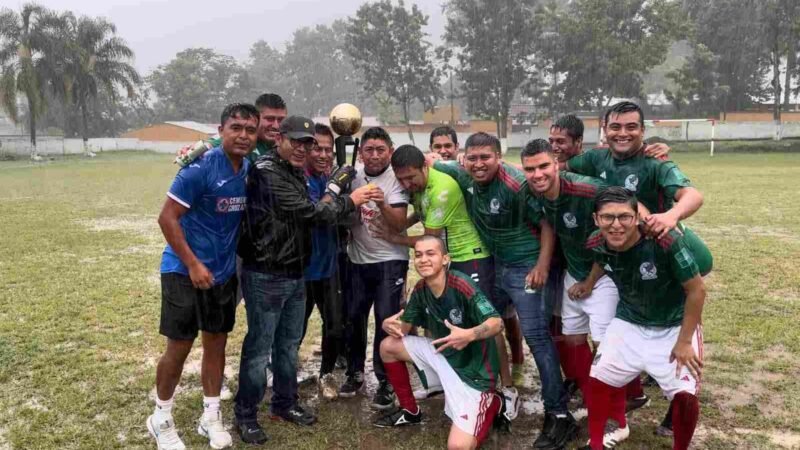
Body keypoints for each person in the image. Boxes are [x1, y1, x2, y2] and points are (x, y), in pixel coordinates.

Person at [565, 102, 713, 431]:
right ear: (604, 130)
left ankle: (679, 404)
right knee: (634, 326)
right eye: (615, 126)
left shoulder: (655, 162)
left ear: (643, 131)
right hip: (631, 256)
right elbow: (558, 163)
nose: (623, 133)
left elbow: (693, 195)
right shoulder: (596, 158)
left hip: (669, 256)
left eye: (631, 127)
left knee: (679, 325)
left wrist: (670, 216)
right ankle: (633, 390)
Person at [234, 116, 380, 444]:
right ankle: (245, 414)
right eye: (295, 142)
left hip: (294, 272)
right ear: (279, 139)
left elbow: (317, 210)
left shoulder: (293, 170)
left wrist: (334, 190)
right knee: (259, 349)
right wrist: (348, 197)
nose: (302, 149)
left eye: (307, 143)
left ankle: (284, 403)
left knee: (287, 346)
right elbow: (313, 214)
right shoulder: (268, 171)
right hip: (266, 273)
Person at [431, 132, 576, 450]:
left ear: (499, 157)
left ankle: (559, 414)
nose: (479, 164)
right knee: (483, 326)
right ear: (464, 159)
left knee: (537, 338)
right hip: (495, 266)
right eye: (473, 158)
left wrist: (540, 265)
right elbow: (433, 162)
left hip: (525, 268)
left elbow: (548, 224)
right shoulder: (462, 173)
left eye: (486, 157)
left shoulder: (516, 185)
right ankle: (490, 393)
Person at [374, 144, 519, 418]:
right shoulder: (421, 188)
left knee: (485, 323)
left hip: (470, 256)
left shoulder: (441, 189)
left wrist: (396, 239)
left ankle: (507, 389)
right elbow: (418, 214)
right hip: (449, 257)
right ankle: (443, 378)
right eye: (401, 179)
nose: (406, 184)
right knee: (440, 319)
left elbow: (431, 237)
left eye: (411, 178)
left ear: (425, 167)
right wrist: (398, 223)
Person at [148, 103, 259, 450]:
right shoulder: (198, 169)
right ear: (221, 130)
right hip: (184, 269)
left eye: (249, 130)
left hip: (222, 273)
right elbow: (167, 219)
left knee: (217, 342)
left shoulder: (249, 169)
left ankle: (210, 415)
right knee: (179, 347)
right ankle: (161, 416)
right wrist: (194, 264)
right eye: (236, 127)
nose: (243, 135)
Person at [522, 139, 638, 446]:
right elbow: (549, 222)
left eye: (544, 166)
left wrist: (589, 281)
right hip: (574, 274)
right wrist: (543, 264)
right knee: (573, 341)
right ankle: (593, 400)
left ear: (557, 163)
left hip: (604, 276)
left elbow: (623, 215)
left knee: (606, 350)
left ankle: (618, 419)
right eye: (530, 169)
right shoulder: (540, 193)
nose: (537, 174)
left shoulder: (589, 190)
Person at [581, 187, 706, 450]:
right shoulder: (596, 242)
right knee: (597, 380)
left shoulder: (665, 240)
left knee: (685, 395)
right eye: (607, 218)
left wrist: (684, 342)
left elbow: (697, 290)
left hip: (674, 323)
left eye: (624, 217)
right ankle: (595, 445)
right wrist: (589, 282)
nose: (616, 225)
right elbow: (602, 261)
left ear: (637, 217)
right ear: (596, 219)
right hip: (629, 320)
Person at [374, 236, 504, 450]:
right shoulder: (420, 289)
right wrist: (389, 325)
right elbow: (402, 329)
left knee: (458, 447)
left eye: (430, 253)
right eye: (418, 255)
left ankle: (494, 402)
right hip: (444, 356)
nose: (423, 259)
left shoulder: (461, 284)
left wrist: (469, 334)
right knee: (387, 346)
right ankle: (410, 412)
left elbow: (497, 323)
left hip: (474, 376)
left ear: (445, 259)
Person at [339, 127, 411, 410]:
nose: (375, 155)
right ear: (361, 153)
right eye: (369, 149)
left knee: (386, 320)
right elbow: (343, 218)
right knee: (354, 318)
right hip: (357, 259)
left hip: (390, 261)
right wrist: (352, 203)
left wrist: (380, 202)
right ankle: (354, 373)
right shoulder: (352, 175)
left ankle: (385, 381)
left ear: (390, 151)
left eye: (381, 149)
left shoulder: (396, 178)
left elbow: (398, 223)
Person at [299, 123, 346, 400]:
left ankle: (326, 374)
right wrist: (342, 194)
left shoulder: (328, 176)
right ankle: (281, 372)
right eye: (317, 148)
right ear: (305, 147)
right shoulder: (296, 178)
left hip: (328, 265)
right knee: (296, 327)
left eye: (329, 149)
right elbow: (320, 212)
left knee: (335, 324)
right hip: (301, 270)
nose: (324, 155)